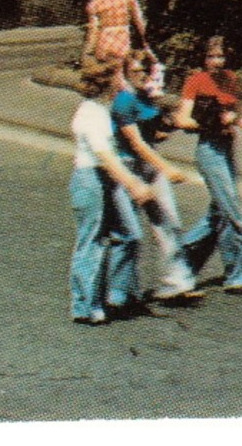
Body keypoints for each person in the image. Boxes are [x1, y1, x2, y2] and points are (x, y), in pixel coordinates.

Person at [173, 36, 242, 295]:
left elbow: (238, 116)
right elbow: (182, 119)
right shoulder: (196, 81)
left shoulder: (230, 79)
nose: (216, 62)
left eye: (220, 57)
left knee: (220, 214)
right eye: (211, 57)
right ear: (203, 58)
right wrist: (210, 121)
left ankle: (181, 260)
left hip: (226, 149)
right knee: (233, 213)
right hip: (209, 151)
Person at [108, 50, 201, 303]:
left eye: (145, 71)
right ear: (126, 73)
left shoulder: (146, 98)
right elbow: (137, 144)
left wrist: (178, 119)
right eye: (136, 71)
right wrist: (167, 168)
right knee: (127, 232)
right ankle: (121, 291)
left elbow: (157, 133)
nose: (141, 75)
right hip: (128, 168)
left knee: (169, 222)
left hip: (149, 165)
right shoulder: (124, 101)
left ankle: (176, 282)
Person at [69, 60, 154, 325]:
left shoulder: (101, 109)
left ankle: (118, 295)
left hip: (103, 179)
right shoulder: (91, 114)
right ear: (107, 84)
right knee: (91, 242)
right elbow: (105, 156)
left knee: (129, 234)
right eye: (118, 78)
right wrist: (133, 183)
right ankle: (85, 306)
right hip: (90, 179)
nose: (122, 82)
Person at [83, 0, 148, 67]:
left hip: (105, 38)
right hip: (123, 37)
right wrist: (145, 40)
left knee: (111, 71)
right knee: (127, 69)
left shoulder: (95, 1)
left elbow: (94, 29)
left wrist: (88, 51)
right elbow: (138, 20)